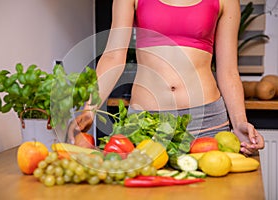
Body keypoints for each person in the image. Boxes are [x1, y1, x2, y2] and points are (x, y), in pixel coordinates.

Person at [68, 0, 264, 155]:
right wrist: (89, 110)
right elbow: (113, 56)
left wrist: (239, 123)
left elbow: (228, 70)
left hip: (206, 122)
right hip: (146, 122)